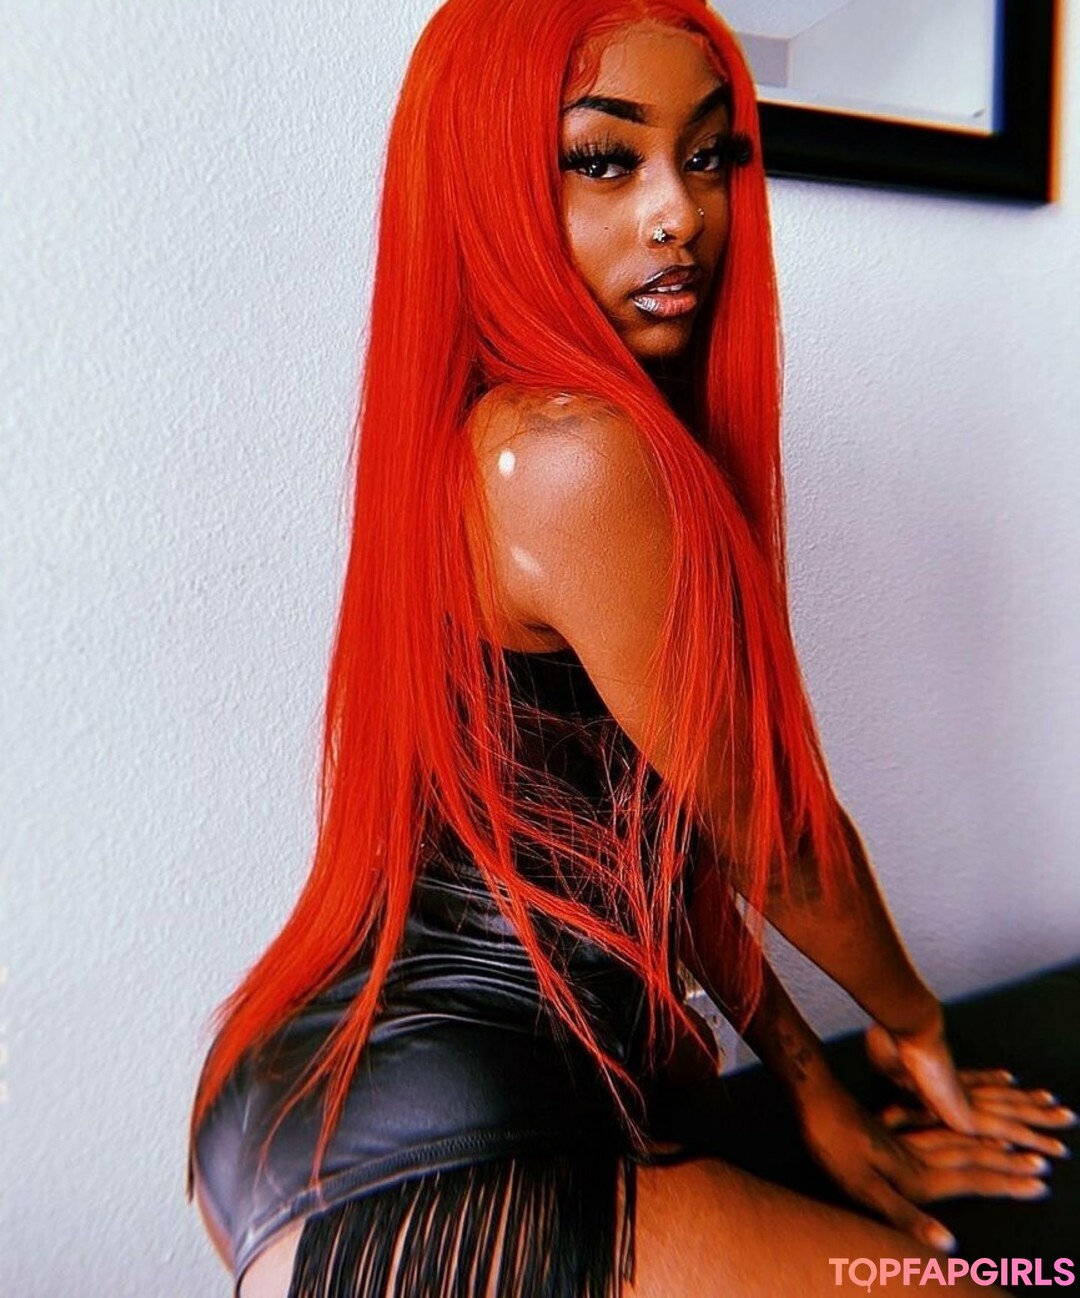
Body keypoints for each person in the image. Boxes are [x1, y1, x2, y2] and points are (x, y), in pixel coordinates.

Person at [188, 2, 1074, 1294]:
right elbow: (779, 841)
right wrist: (915, 1022)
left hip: (329, 1092)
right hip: (437, 1154)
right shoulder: (569, 458)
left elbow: (665, 835)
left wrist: (811, 1085)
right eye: (606, 160)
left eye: (707, 156)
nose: (680, 214)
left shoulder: (500, 440)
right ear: (489, 181)